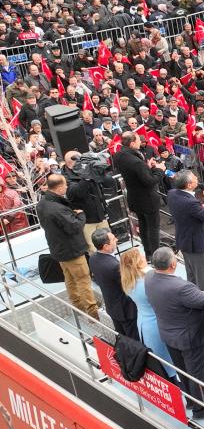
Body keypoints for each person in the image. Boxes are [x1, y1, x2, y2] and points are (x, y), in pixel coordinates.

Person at [144, 248, 204, 418]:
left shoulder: (149, 279)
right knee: (197, 373)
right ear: (173, 264)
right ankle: (201, 409)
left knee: (183, 370)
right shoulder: (182, 287)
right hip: (191, 338)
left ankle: (192, 401)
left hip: (169, 335)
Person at [35, 173, 98, 318]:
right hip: (72, 251)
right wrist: (81, 215)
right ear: (60, 187)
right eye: (65, 185)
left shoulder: (42, 204)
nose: (67, 187)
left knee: (69, 280)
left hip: (58, 249)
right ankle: (93, 313)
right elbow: (74, 227)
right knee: (83, 281)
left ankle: (78, 307)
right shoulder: (58, 209)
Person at [112, 131, 166, 257]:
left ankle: (148, 253)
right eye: (137, 140)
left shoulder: (119, 155)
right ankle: (155, 256)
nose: (140, 142)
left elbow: (136, 174)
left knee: (143, 224)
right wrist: (159, 170)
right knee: (152, 228)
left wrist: (146, 168)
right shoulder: (135, 161)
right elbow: (150, 181)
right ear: (132, 143)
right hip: (147, 199)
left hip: (134, 197)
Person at [165, 171, 204, 292]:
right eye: (194, 177)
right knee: (202, 278)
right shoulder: (191, 202)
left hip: (184, 241)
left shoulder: (172, 193)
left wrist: (198, 208)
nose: (197, 178)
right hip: (196, 244)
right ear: (189, 185)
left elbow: (187, 211)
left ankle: (192, 297)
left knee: (191, 275)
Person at [89, 229, 139, 340]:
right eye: (113, 239)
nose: (116, 239)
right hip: (125, 310)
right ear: (106, 246)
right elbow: (129, 284)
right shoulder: (114, 266)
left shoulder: (92, 259)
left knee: (121, 336)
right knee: (133, 340)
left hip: (112, 307)